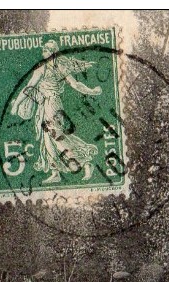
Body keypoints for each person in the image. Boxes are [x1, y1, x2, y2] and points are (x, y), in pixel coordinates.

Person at [12, 40, 103, 185]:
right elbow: (75, 84)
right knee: (48, 141)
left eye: (46, 50)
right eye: (44, 50)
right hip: (48, 104)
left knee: (57, 138)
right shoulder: (55, 66)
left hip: (51, 105)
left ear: (52, 52)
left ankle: (85, 163)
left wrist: (16, 104)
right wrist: (91, 91)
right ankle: (56, 173)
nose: (44, 53)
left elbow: (29, 87)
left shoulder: (45, 68)